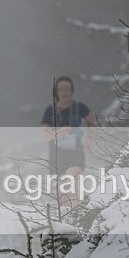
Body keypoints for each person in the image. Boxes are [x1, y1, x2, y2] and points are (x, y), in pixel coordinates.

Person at [39, 76, 96, 207]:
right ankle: (68, 215)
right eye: (61, 89)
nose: (64, 92)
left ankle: (76, 211)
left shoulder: (79, 107)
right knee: (63, 191)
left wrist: (89, 138)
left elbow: (91, 122)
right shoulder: (51, 110)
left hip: (76, 153)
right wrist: (59, 132)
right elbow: (43, 134)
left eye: (67, 89)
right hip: (57, 155)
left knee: (73, 177)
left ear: (72, 91)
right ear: (56, 92)